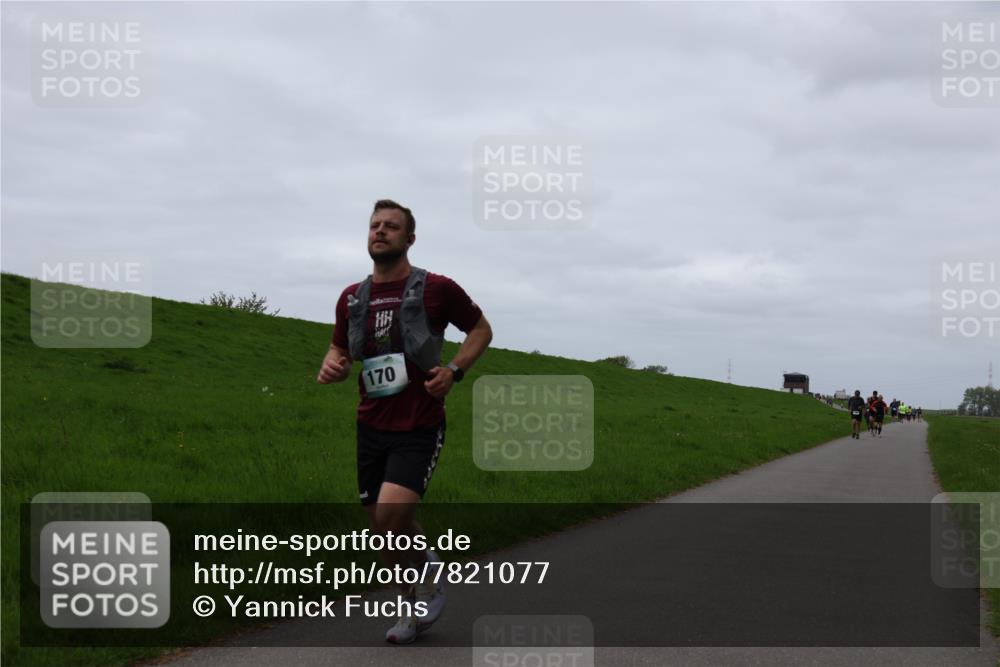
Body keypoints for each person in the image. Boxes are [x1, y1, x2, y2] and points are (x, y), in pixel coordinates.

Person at [317, 199, 493, 644]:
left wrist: (454, 371)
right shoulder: (352, 297)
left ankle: (424, 584)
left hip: (419, 423)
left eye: (391, 226)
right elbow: (338, 348)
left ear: (409, 238)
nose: (380, 231)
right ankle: (413, 605)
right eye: (375, 225)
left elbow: (481, 330)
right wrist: (332, 365)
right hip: (371, 422)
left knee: (393, 517)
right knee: (383, 527)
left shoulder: (437, 288)